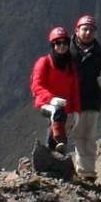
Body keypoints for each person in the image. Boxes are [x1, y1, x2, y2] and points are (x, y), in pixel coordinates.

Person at [66, 15, 101, 182]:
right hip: (69, 101)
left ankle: (86, 173)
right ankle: (56, 168)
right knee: (59, 133)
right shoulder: (66, 50)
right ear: (77, 30)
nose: (87, 32)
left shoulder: (99, 54)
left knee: (86, 137)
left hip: (91, 102)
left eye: (91, 30)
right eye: (84, 29)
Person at [29, 27, 81, 162]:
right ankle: (58, 144)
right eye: (58, 43)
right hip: (46, 103)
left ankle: (55, 158)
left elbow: (74, 89)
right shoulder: (44, 62)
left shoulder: (70, 65)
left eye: (65, 43)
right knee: (56, 116)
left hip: (66, 107)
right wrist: (51, 99)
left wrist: (76, 110)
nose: (62, 46)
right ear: (53, 45)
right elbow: (36, 85)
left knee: (59, 121)